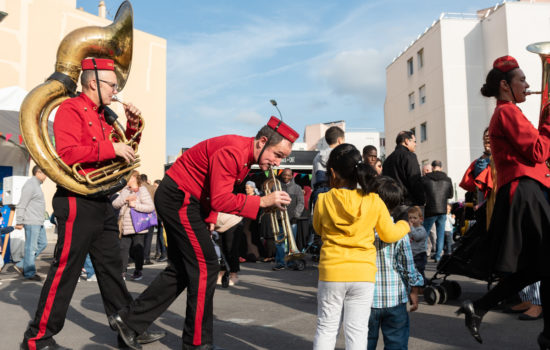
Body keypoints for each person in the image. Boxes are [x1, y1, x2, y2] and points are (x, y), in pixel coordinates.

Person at [108, 116, 297, 350]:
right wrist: (261, 201)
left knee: (181, 270)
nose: (278, 163)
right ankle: (197, 343)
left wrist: (210, 217)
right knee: (206, 267)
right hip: (180, 198)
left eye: (281, 158)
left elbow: (210, 189)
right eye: (277, 155)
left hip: (185, 200)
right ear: (262, 142)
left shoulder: (243, 154)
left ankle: (129, 321)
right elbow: (219, 197)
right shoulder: (233, 152)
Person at [20, 58, 164, 350]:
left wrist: (134, 125)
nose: (116, 90)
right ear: (93, 83)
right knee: (66, 271)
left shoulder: (105, 115)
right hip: (76, 200)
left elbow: (125, 155)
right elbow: (68, 153)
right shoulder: (70, 109)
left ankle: (129, 327)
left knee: (112, 269)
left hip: (102, 199)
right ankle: (37, 338)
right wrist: (111, 147)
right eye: (112, 84)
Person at [456, 56, 550, 349]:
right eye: (522, 79)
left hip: (527, 191)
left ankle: (480, 307)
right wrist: (547, 121)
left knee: (538, 267)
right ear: (505, 86)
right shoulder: (507, 113)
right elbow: (537, 152)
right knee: (545, 264)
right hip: (525, 192)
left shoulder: (511, 113)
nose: (528, 84)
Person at [312, 143, 409, 350]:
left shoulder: (323, 200)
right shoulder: (374, 201)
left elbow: (318, 229)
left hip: (332, 272)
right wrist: (404, 224)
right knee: (357, 330)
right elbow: (388, 234)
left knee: (327, 327)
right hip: (363, 273)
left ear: (332, 172)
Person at [367, 176, 424, 350]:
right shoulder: (400, 230)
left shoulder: (362, 229)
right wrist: (414, 290)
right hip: (395, 297)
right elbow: (408, 266)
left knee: (362, 342)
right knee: (396, 343)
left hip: (365, 298)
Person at [112, 170, 155, 281]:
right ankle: (122, 271)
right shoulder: (125, 191)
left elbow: (150, 207)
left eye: (127, 177)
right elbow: (115, 204)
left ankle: (138, 270)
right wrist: (125, 199)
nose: (125, 180)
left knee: (137, 250)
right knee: (123, 249)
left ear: (134, 178)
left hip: (139, 225)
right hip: (125, 226)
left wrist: (135, 205)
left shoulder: (142, 190)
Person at [13, 165, 47, 281]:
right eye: (45, 173)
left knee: (43, 243)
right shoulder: (30, 184)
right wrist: (19, 221)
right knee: (31, 248)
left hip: (38, 221)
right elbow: (22, 204)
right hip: (32, 221)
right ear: (38, 172)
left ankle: (21, 264)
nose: (46, 176)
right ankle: (29, 272)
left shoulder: (37, 185)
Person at [273, 168, 304, 271]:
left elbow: (301, 202)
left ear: (292, 176)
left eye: (288, 175)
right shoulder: (276, 187)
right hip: (279, 218)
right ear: (282, 175)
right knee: (279, 242)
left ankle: (291, 262)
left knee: (291, 242)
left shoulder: (297, 188)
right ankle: (280, 262)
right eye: (284, 175)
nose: (286, 177)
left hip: (292, 219)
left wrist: (296, 213)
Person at [421, 160, 453, 262]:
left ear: (432, 167)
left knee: (425, 233)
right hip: (442, 209)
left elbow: (421, 193)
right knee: (440, 233)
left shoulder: (425, 178)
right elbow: (450, 195)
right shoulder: (448, 180)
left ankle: (424, 253)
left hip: (430, 209)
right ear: (441, 167)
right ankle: (438, 255)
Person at [382, 131, 425, 206]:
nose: (416, 144)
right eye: (414, 141)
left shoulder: (387, 160)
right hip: (408, 204)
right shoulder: (409, 156)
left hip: (391, 204)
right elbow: (415, 180)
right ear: (406, 141)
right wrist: (422, 200)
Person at [311, 126, 345, 206]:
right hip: (337, 194)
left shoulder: (317, 156)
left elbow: (313, 180)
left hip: (319, 195)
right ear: (340, 140)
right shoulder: (342, 155)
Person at [139, 173, 157, 265]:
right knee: (149, 238)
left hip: (139, 215)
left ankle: (138, 257)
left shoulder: (137, 188)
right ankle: (146, 258)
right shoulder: (152, 188)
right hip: (151, 215)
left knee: (139, 238)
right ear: (146, 179)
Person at [408, 206, 427, 283]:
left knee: (419, 271)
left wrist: (411, 228)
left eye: (415, 218)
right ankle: (416, 284)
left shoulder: (421, 229)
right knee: (413, 271)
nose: (412, 220)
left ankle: (423, 284)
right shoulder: (410, 229)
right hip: (412, 254)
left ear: (420, 219)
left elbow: (416, 237)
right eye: (410, 218)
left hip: (420, 255)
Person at [152, 179, 167, 262]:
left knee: (162, 237)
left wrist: (162, 220)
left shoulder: (162, 194)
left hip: (162, 219)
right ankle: (161, 253)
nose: (154, 188)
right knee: (160, 237)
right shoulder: (158, 194)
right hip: (159, 218)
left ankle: (164, 254)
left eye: (155, 186)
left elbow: (163, 208)